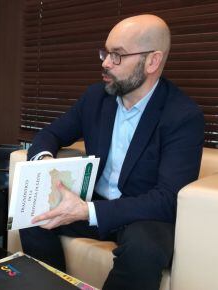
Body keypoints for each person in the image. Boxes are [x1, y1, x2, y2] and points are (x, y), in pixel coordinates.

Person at [19, 14, 204, 290]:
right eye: (106, 52)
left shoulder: (183, 116)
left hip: (143, 215)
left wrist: (88, 211)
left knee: (144, 249)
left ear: (152, 61)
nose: (105, 63)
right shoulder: (97, 98)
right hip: (94, 201)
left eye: (117, 55)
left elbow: (167, 199)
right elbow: (50, 134)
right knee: (33, 217)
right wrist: (45, 162)